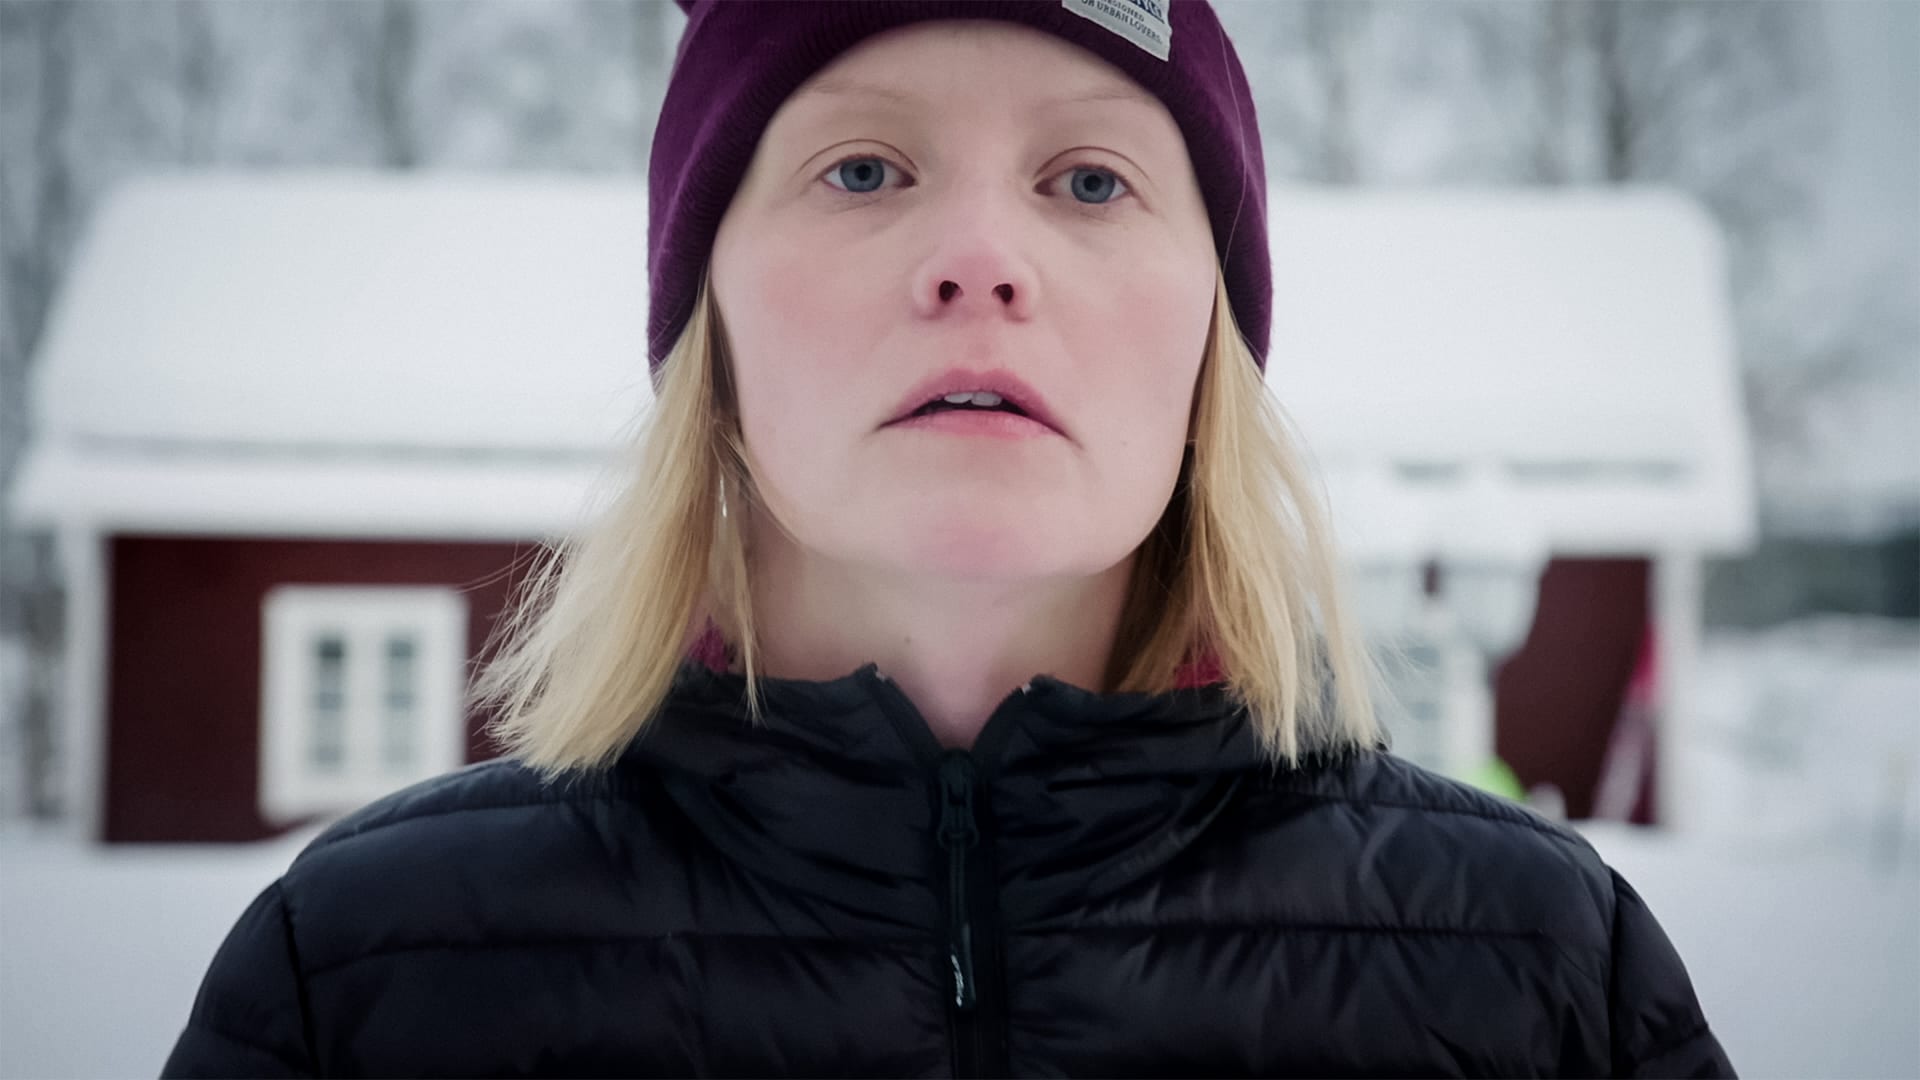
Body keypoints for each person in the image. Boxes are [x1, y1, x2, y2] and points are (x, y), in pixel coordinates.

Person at [162, 2, 1734, 1076]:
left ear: (1212, 335)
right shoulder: (354, 980)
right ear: (709, 322)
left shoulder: (1547, 977)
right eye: (863, 168)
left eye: (1091, 180)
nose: (981, 259)